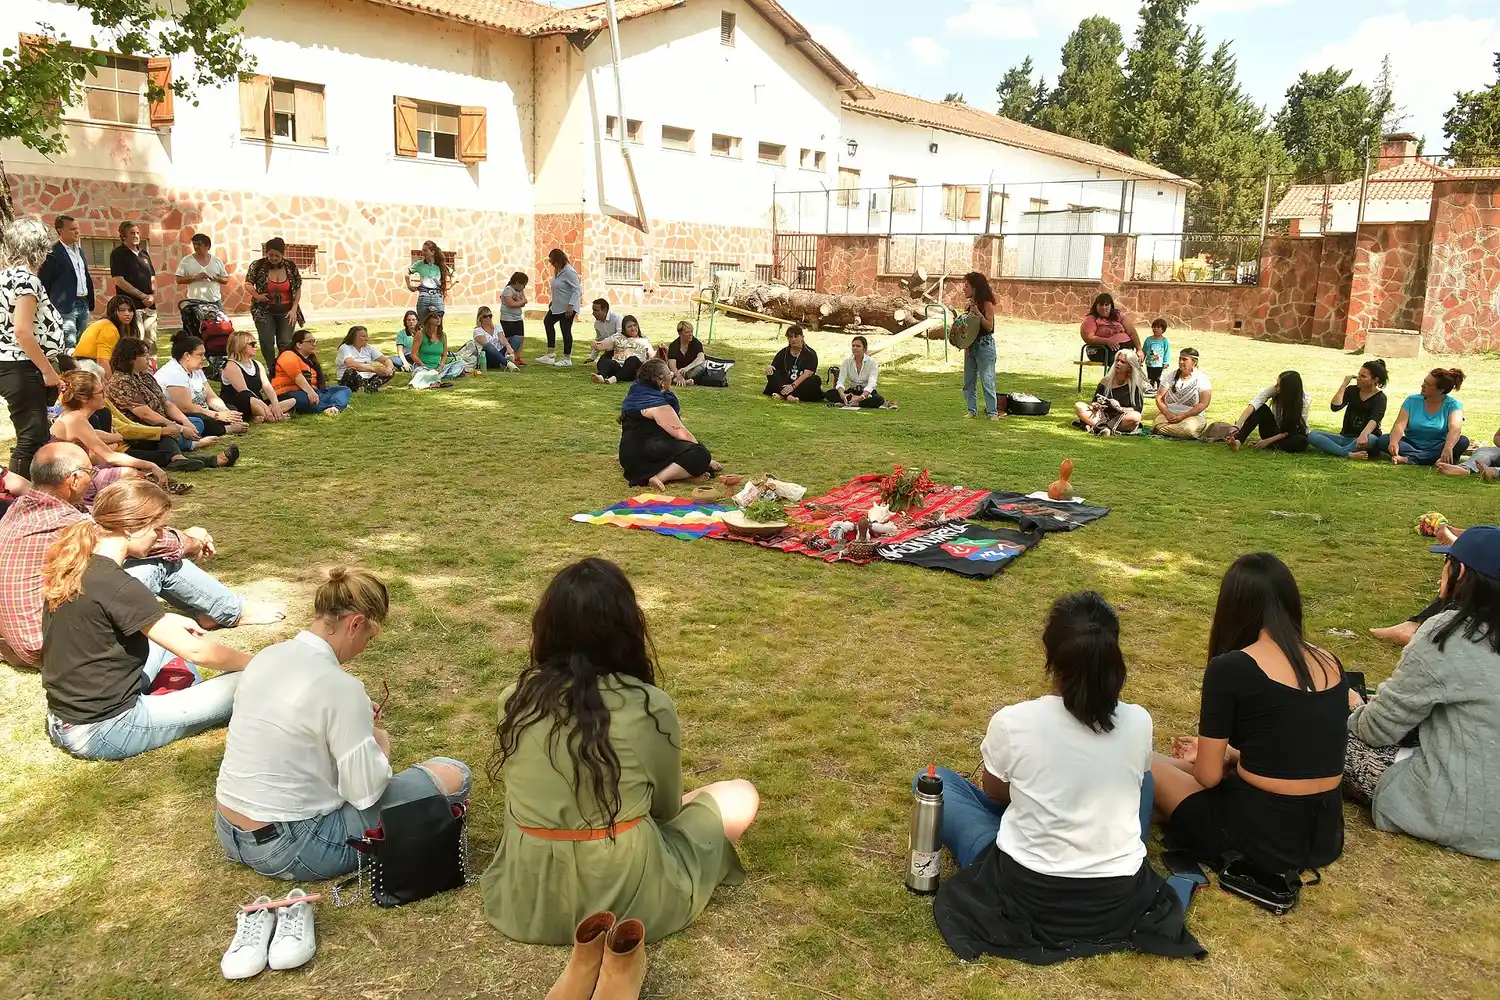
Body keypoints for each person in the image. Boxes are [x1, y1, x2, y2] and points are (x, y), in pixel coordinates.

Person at [482, 558, 757, 945]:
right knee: (740, 793)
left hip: (527, 898)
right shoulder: (649, 705)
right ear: (626, 629)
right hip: (628, 892)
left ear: (546, 628)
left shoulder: (514, 699)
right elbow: (665, 811)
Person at [923, 592, 1202, 965]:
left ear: (1047, 650)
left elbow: (996, 792)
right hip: (1117, 896)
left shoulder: (1013, 722)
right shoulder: (1139, 720)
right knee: (1144, 779)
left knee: (933, 782)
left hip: (1029, 892)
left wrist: (1043, 794)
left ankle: (1039, 824)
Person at [216, 567, 471, 880]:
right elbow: (364, 792)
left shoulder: (267, 656)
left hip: (229, 829)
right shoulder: (341, 687)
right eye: (369, 638)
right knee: (454, 774)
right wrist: (379, 740)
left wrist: (355, 719)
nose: (364, 648)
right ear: (355, 624)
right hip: (295, 847)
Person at [0, 442, 279, 668]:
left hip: (25, 639)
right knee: (159, 563)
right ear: (73, 480)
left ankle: (215, 610)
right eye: (90, 471)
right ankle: (231, 611)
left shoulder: (19, 508)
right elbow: (140, 540)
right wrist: (193, 541)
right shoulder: (69, 523)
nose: (94, 476)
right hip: (57, 645)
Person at [1151, 554, 1346, 876]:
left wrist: (1213, 760)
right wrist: (1230, 755)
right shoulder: (1330, 661)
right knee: (1168, 764)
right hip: (1323, 834)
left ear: (1233, 606)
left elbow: (1208, 778)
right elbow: (1297, 750)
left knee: (1142, 763)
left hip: (1256, 838)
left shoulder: (1232, 667)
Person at [39, 478, 254, 760]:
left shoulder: (78, 564)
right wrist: (260, 663)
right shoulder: (119, 585)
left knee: (168, 642)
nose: (159, 536)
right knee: (252, 680)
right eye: (157, 529)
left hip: (65, 717)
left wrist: (168, 620)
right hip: (105, 729)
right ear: (130, 529)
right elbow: (196, 651)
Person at [1346, 528, 1500, 859]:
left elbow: (1376, 730)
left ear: (1461, 572)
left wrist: (1355, 706)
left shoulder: (1447, 633)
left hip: (1466, 813)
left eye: (1447, 562)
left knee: (1320, 731)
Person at [52, 370, 235, 481]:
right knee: (130, 474)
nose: (105, 394)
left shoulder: (77, 417)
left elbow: (100, 440)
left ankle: (176, 461)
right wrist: (149, 465)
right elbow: (109, 454)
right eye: (100, 392)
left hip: (81, 471)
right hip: (69, 479)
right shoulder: (76, 420)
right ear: (85, 399)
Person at [0, 218, 67, 478]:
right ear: (39, 248)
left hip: (11, 364)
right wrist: (48, 371)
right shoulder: (26, 280)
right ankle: (19, 495)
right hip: (21, 365)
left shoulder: (5, 276)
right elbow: (22, 331)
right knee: (33, 436)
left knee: (32, 433)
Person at [106, 337, 220, 458]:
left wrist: (185, 422)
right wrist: (179, 428)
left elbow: (166, 403)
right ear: (131, 359)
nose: (148, 358)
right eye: (144, 355)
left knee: (196, 422)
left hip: (164, 420)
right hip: (145, 428)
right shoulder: (121, 382)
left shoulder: (145, 376)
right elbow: (146, 415)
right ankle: (187, 447)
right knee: (167, 434)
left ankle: (184, 442)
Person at [618, 359, 721, 489]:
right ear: (661, 380)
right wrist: (707, 460)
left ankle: (688, 475)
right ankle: (659, 478)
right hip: (645, 456)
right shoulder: (659, 405)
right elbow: (682, 434)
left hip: (628, 456)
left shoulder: (637, 392)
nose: (671, 376)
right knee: (700, 454)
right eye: (669, 374)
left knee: (687, 449)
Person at [1360, 368, 1468, 466]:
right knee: (1384, 440)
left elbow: (1455, 429)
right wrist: (1394, 442)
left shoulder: (1453, 405)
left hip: (1438, 445)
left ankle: (1410, 459)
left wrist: (1448, 448)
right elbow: (1400, 424)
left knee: (1462, 441)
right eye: (1424, 382)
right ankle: (1433, 458)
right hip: (1411, 444)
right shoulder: (1412, 400)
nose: (1422, 385)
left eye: (1428, 384)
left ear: (1441, 390)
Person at [156, 335, 247, 437]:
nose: (204, 358)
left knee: (231, 408)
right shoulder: (174, 373)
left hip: (201, 410)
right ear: (187, 355)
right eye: (200, 354)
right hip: (180, 415)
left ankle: (226, 423)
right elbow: (185, 407)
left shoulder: (196, 369)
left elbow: (211, 397)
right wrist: (217, 415)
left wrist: (228, 413)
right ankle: (226, 429)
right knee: (201, 420)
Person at [1308, 360, 1389, 459]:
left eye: (1363, 376)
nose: (1358, 378)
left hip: (1365, 439)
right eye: (1358, 375)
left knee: (1372, 439)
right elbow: (1335, 407)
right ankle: (1347, 453)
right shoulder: (1352, 390)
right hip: (1346, 438)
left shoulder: (1380, 398)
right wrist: (1344, 385)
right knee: (1313, 435)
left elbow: (1375, 419)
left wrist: (1364, 434)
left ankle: (1336, 450)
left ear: (1375, 380)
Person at [37, 214, 94, 349]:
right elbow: (44, 281)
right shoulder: (53, 252)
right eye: (72, 229)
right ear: (60, 231)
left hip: (83, 302)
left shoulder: (79, 251)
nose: (77, 232)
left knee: (83, 341)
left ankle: (80, 363)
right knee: (69, 342)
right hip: (66, 305)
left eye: (77, 228)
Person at [245, 238, 303, 365]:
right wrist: (257, 296)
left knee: (285, 341)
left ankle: (283, 367)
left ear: (283, 254)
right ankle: (272, 368)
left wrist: (294, 309)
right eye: (270, 255)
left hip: (287, 310)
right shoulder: (258, 265)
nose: (273, 258)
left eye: (277, 255)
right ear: (266, 252)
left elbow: (298, 289)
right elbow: (248, 283)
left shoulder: (290, 266)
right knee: (266, 341)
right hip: (264, 310)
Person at [1226, 370, 1310, 453]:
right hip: (1275, 430)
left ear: (1288, 390)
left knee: (1301, 441)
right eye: (1277, 383)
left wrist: (1267, 441)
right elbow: (1253, 405)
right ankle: (1238, 442)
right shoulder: (1274, 389)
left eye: (1279, 385)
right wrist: (1237, 426)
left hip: (1291, 435)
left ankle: (1268, 445)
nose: (1276, 387)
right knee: (1261, 408)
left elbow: (1290, 431)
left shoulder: (1304, 401)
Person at [220, 331, 294, 423]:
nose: (255, 346)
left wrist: (276, 405)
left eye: (255, 344)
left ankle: (266, 414)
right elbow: (245, 392)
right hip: (240, 403)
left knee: (291, 399)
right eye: (252, 344)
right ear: (240, 346)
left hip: (258, 402)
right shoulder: (231, 365)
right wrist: (266, 407)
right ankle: (269, 415)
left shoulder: (257, 364)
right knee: (246, 396)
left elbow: (267, 386)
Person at [108, 221, 158, 353]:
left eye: (137, 233)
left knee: (151, 341)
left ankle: (151, 365)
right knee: (135, 341)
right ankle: (133, 365)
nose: (136, 236)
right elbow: (119, 281)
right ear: (123, 236)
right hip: (131, 307)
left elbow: (152, 278)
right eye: (132, 233)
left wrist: (153, 296)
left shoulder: (144, 253)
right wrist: (142, 296)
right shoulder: (118, 254)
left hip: (150, 307)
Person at [274, 331, 350, 415]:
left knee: (344, 389)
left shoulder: (311, 358)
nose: (314, 344)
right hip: (289, 393)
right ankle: (336, 406)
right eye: (311, 341)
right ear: (299, 345)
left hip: (314, 392)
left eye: (315, 341)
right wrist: (310, 392)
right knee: (305, 400)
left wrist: (314, 392)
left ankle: (333, 407)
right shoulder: (288, 355)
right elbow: (297, 377)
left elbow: (319, 383)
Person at [1073, 349, 1145, 436]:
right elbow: (1094, 401)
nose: (1118, 363)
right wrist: (1095, 405)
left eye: (1123, 362)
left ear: (1130, 366)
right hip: (1102, 414)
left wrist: (1119, 408)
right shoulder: (1105, 381)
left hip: (1121, 417)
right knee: (1079, 406)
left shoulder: (1135, 385)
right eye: (1117, 360)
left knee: (1136, 417)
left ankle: (1095, 426)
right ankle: (1105, 428)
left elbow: (1137, 409)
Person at [958, 271, 1000, 420]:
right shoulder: (968, 305)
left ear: (975, 288)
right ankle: (971, 411)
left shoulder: (987, 304)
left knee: (987, 380)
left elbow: (989, 327)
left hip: (984, 345)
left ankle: (992, 413)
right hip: (971, 345)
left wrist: (977, 313)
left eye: (967, 286)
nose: (964, 288)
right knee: (968, 381)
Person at [174, 233, 230, 336]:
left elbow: (225, 279)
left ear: (207, 246)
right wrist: (194, 278)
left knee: (217, 333)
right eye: (194, 244)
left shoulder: (217, 261)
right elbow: (178, 279)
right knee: (195, 333)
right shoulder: (186, 261)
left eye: (199, 244)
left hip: (214, 302)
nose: (196, 247)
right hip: (194, 303)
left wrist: (216, 278)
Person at [1151, 348, 1213, 440]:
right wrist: (1167, 414)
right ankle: (1179, 431)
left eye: (1185, 359)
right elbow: (1159, 398)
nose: (1181, 362)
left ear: (1194, 362)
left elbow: (1204, 403)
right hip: (1169, 416)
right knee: (1157, 424)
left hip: (1193, 417)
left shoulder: (1202, 379)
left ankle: (1165, 430)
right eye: (1180, 359)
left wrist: (1183, 416)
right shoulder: (1170, 376)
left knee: (1188, 429)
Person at [74, 294, 139, 379]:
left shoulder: (113, 325)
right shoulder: (109, 328)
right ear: (113, 311)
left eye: (130, 310)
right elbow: (102, 361)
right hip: (88, 367)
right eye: (122, 310)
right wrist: (111, 383)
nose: (127, 314)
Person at [538, 249, 580, 367]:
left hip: (567, 307)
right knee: (548, 322)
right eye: (551, 262)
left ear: (559, 260)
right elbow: (560, 288)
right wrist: (553, 301)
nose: (552, 264)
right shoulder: (558, 271)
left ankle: (567, 358)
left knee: (565, 330)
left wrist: (570, 305)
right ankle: (550, 355)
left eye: (554, 262)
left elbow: (577, 290)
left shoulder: (570, 272)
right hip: (557, 306)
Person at [825, 336, 889, 409]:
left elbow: (871, 384)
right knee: (829, 393)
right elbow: (840, 382)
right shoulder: (846, 362)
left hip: (867, 393)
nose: (855, 348)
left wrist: (861, 397)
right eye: (853, 346)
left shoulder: (872, 362)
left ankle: (856, 403)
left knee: (878, 399)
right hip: (852, 392)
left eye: (858, 346)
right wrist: (842, 395)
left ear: (864, 349)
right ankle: (850, 401)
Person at [763, 325, 822, 402]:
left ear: (802, 337)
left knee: (816, 380)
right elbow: (774, 367)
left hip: (800, 385)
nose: (793, 339)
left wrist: (792, 386)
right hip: (784, 384)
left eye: (796, 336)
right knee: (770, 371)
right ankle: (788, 396)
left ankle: (783, 395)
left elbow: (807, 374)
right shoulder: (783, 352)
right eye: (790, 337)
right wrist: (769, 367)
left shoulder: (810, 354)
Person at [409, 313, 467, 389]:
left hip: (438, 368)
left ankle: (435, 377)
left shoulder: (443, 335)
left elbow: (444, 355)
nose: (438, 318)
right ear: (428, 319)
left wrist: (441, 365)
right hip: (422, 367)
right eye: (435, 317)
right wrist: (424, 366)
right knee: (420, 372)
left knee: (461, 363)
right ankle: (435, 379)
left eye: (440, 316)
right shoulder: (420, 334)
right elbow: (413, 355)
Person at [1079, 292, 1141, 364]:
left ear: (1111, 306)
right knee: (1119, 359)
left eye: (1106, 305)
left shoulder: (1118, 315)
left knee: (1131, 360)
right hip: (1102, 350)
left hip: (1125, 348)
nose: (1104, 307)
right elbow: (1089, 338)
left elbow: (1132, 332)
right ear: (1096, 306)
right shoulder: (1091, 319)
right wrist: (1107, 341)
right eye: (1101, 305)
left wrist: (1139, 350)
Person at [593, 314, 651, 384]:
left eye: (634, 325)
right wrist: (596, 344)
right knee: (604, 360)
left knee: (632, 359)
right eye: (629, 326)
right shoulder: (617, 337)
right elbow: (603, 344)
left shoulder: (644, 339)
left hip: (634, 370)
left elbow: (652, 355)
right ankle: (602, 376)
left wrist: (660, 351)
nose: (633, 328)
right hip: (618, 366)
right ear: (624, 328)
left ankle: (615, 379)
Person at [336, 326, 396, 392]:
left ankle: (367, 388)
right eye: (363, 336)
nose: (367, 339)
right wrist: (374, 369)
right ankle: (371, 388)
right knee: (350, 371)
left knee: (392, 369)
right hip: (351, 380)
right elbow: (351, 364)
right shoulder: (345, 347)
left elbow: (386, 360)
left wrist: (389, 368)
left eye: (367, 336)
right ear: (354, 338)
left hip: (368, 379)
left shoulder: (368, 347)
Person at [406, 240, 451, 325]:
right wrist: (409, 285)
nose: (423, 252)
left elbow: (455, 275)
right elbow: (406, 273)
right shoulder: (419, 264)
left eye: (425, 250)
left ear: (433, 252)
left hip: (437, 296)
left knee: (438, 324)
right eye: (422, 250)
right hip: (424, 296)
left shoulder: (440, 265)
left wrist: (450, 286)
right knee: (423, 324)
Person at [471, 308, 519, 372]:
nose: (488, 318)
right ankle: (508, 363)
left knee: (516, 338)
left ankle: (505, 359)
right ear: (480, 318)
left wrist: (508, 346)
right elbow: (487, 345)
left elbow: (502, 338)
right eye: (485, 316)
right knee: (488, 346)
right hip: (488, 357)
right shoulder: (477, 331)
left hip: (501, 352)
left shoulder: (497, 327)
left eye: (490, 316)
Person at [499, 271, 528, 365]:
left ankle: (517, 357)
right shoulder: (508, 290)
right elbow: (510, 304)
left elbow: (524, 302)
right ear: (517, 283)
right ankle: (507, 355)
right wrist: (520, 301)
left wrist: (517, 300)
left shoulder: (520, 291)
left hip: (518, 318)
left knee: (521, 338)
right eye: (523, 285)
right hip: (507, 319)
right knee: (510, 338)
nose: (524, 287)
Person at [666, 321, 705, 386]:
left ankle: (677, 380)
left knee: (700, 368)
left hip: (690, 370)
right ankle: (685, 381)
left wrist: (686, 369)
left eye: (691, 331)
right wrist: (678, 375)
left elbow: (701, 358)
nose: (690, 334)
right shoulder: (674, 345)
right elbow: (672, 364)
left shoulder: (696, 343)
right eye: (687, 332)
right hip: (677, 371)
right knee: (668, 372)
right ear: (680, 333)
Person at [1142, 319, 1170, 391]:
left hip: (1159, 364)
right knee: (1150, 378)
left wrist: (1166, 362)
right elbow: (1144, 350)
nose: (1155, 329)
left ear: (1163, 329)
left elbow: (1167, 352)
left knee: (1159, 378)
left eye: (1158, 327)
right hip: (1149, 364)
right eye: (1154, 327)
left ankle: (1159, 391)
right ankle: (1150, 389)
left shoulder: (1164, 341)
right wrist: (1141, 359)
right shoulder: (1148, 340)